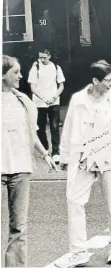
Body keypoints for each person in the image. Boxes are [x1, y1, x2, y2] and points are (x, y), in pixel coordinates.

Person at [55, 60, 111, 267]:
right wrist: (65, 157)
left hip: (110, 157)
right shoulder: (78, 100)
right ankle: (79, 251)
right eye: (108, 81)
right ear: (95, 81)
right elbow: (69, 129)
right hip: (84, 157)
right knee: (74, 201)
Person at [2, 55, 58, 267]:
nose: (21, 76)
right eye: (15, 72)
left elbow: (31, 133)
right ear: (2, 75)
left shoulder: (22, 101)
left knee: (19, 228)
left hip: (21, 170)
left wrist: (45, 155)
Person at [27, 48, 65, 164]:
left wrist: (54, 97)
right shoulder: (35, 68)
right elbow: (33, 87)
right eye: (40, 57)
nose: (42, 59)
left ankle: (56, 152)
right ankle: (45, 150)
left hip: (53, 101)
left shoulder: (56, 67)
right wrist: (43, 98)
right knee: (41, 127)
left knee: (54, 126)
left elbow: (61, 85)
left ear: (49, 56)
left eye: (44, 57)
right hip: (39, 102)